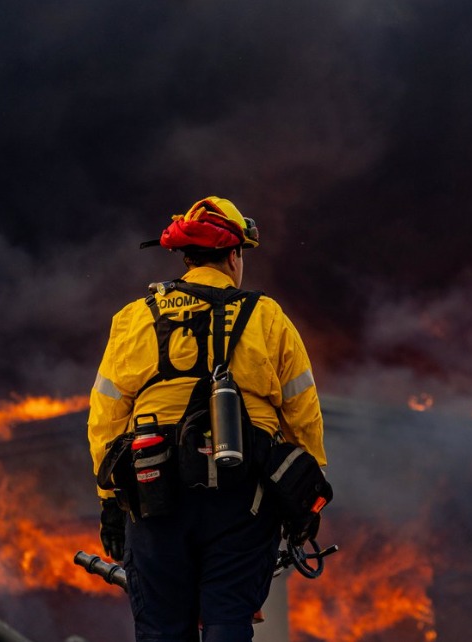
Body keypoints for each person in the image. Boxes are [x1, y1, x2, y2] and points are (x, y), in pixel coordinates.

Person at [87, 196, 329, 641]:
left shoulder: (135, 318)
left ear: (187, 258)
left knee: (161, 628)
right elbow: (303, 414)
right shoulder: (267, 317)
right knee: (228, 620)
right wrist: (305, 499)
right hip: (244, 495)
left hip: (152, 491)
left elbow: (105, 417)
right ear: (233, 257)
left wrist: (109, 502)